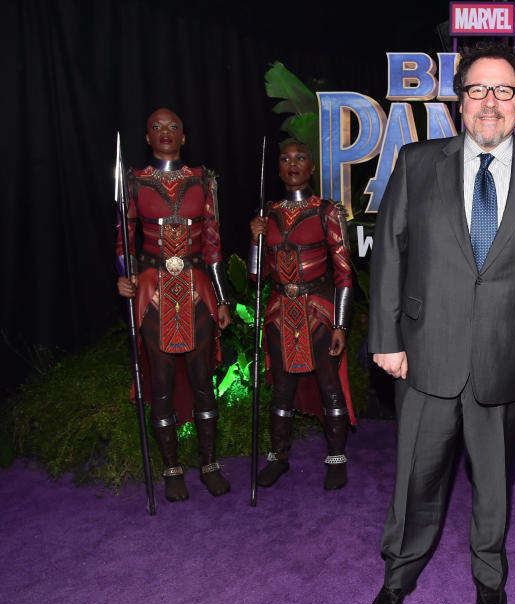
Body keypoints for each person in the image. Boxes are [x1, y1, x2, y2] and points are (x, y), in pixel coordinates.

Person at [366, 42, 515, 604]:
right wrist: (385, 337)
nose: (490, 103)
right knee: (416, 477)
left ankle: (489, 575)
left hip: (510, 359)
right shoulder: (415, 162)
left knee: (494, 482)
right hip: (424, 355)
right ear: (460, 103)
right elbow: (389, 253)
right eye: (478, 91)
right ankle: (398, 575)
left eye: (504, 91)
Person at [116, 107, 233, 502]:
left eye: (173, 127)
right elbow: (124, 241)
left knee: (203, 381)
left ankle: (210, 463)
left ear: (183, 137)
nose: (165, 132)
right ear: (147, 137)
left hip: (198, 290)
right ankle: (171, 468)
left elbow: (214, 245)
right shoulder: (133, 181)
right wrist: (125, 276)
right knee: (161, 382)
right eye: (156, 127)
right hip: (153, 292)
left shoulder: (204, 180)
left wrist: (222, 299)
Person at [249, 141, 355, 491]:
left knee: (329, 386)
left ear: (312, 168)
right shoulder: (269, 213)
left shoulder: (327, 212)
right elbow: (256, 276)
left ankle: (336, 460)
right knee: (282, 389)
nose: (292, 164)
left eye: (300, 158)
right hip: (280, 314)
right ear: (278, 169)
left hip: (319, 312)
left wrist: (340, 324)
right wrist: (255, 241)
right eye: (285, 159)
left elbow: (343, 274)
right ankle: (278, 458)